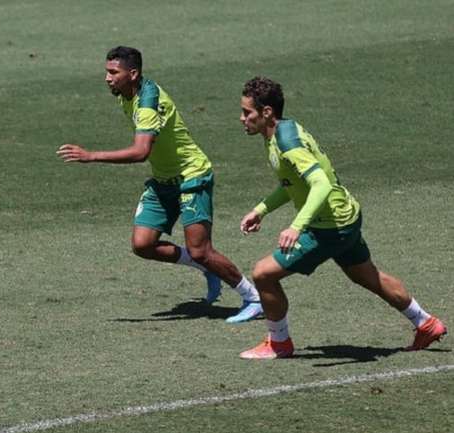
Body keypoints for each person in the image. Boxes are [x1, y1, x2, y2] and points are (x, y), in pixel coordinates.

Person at [237, 76, 446, 359]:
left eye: (247, 112)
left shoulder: (287, 143)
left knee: (262, 274)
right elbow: (294, 184)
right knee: (367, 275)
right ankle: (426, 323)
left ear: (266, 113)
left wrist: (296, 227)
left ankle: (279, 343)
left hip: (328, 228)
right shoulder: (283, 131)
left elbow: (320, 184)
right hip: (345, 216)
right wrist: (261, 209)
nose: (242, 118)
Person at [57, 46, 263, 323]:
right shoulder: (126, 93)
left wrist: (91, 156)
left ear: (133, 74)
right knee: (143, 245)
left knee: (202, 250)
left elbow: (141, 151)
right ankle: (206, 267)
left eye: (113, 73)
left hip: (192, 176)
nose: (107, 78)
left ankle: (254, 298)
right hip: (163, 180)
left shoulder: (148, 102)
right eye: (106, 72)